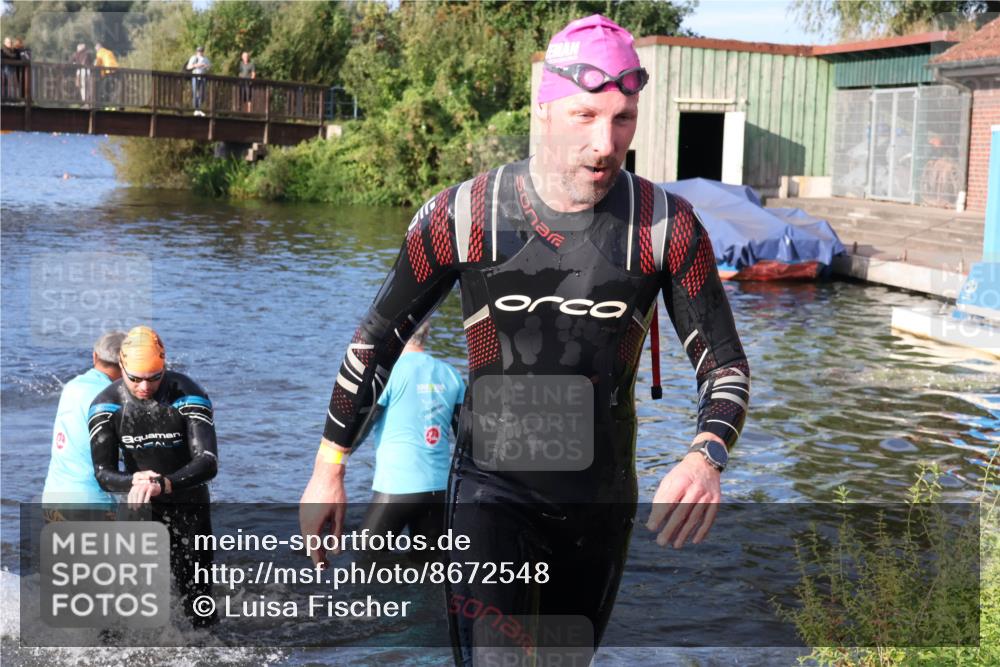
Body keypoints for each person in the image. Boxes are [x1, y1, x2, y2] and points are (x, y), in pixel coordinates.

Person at [300, 14, 750, 664]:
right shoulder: (464, 214)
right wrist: (328, 468)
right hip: (491, 492)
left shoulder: (665, 227)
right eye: (586, 115)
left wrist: (707, 455)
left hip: (599, 502)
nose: (606, 141)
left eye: (623, 118)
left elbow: (726, 366)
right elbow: (378, 337)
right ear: (544, 112)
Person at [89, 325, 219, 627]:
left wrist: (166, 483)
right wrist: (133, 481)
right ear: (121, 367)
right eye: (135, 379)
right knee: (125, 599)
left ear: (165, 367)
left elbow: (208, 462)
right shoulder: (106, 405)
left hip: (189, 507)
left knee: (197, 595)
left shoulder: (188, 393)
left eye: (154, 378)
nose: (144, 387)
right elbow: (102, 473)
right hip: (140, 506)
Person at [358, 320, 465, 554]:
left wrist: (335, 462)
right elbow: (465, 440)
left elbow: (361, 428)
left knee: (363, 564)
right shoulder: (451, 374)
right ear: (426, 335)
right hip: (438, 491)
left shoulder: (388, 374)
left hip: (396, 489)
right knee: (428, 573)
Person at [41, 331, 126, 520]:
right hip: (92, 503)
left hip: (54, 497)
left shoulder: (71, 386)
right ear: (126, 364)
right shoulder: (114, 398)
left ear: (94, 356)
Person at [186, 46, 210, 115]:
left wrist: (205, 66)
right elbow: (188, 67)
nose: (200, 52)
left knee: (202, 93)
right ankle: (196, 109)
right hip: (195, 76)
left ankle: (199, 108)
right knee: (195, 92)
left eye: (201, 51)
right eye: (199, 51)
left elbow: (209, 67)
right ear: (197, 51)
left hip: (202, 77)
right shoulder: (194, 58)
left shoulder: (205, 59)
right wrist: (196, 65)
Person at [93, 42, 118, 108]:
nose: (95, 49)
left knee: (106, 87)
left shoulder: (99, 52)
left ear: (98, 47)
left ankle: (107, 102)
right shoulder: (108, 51)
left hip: (108, 70)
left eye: (96, 48)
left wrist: (94, 66)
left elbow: (98, 63)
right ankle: (113, 101)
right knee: (113, 87)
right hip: (115, 69)